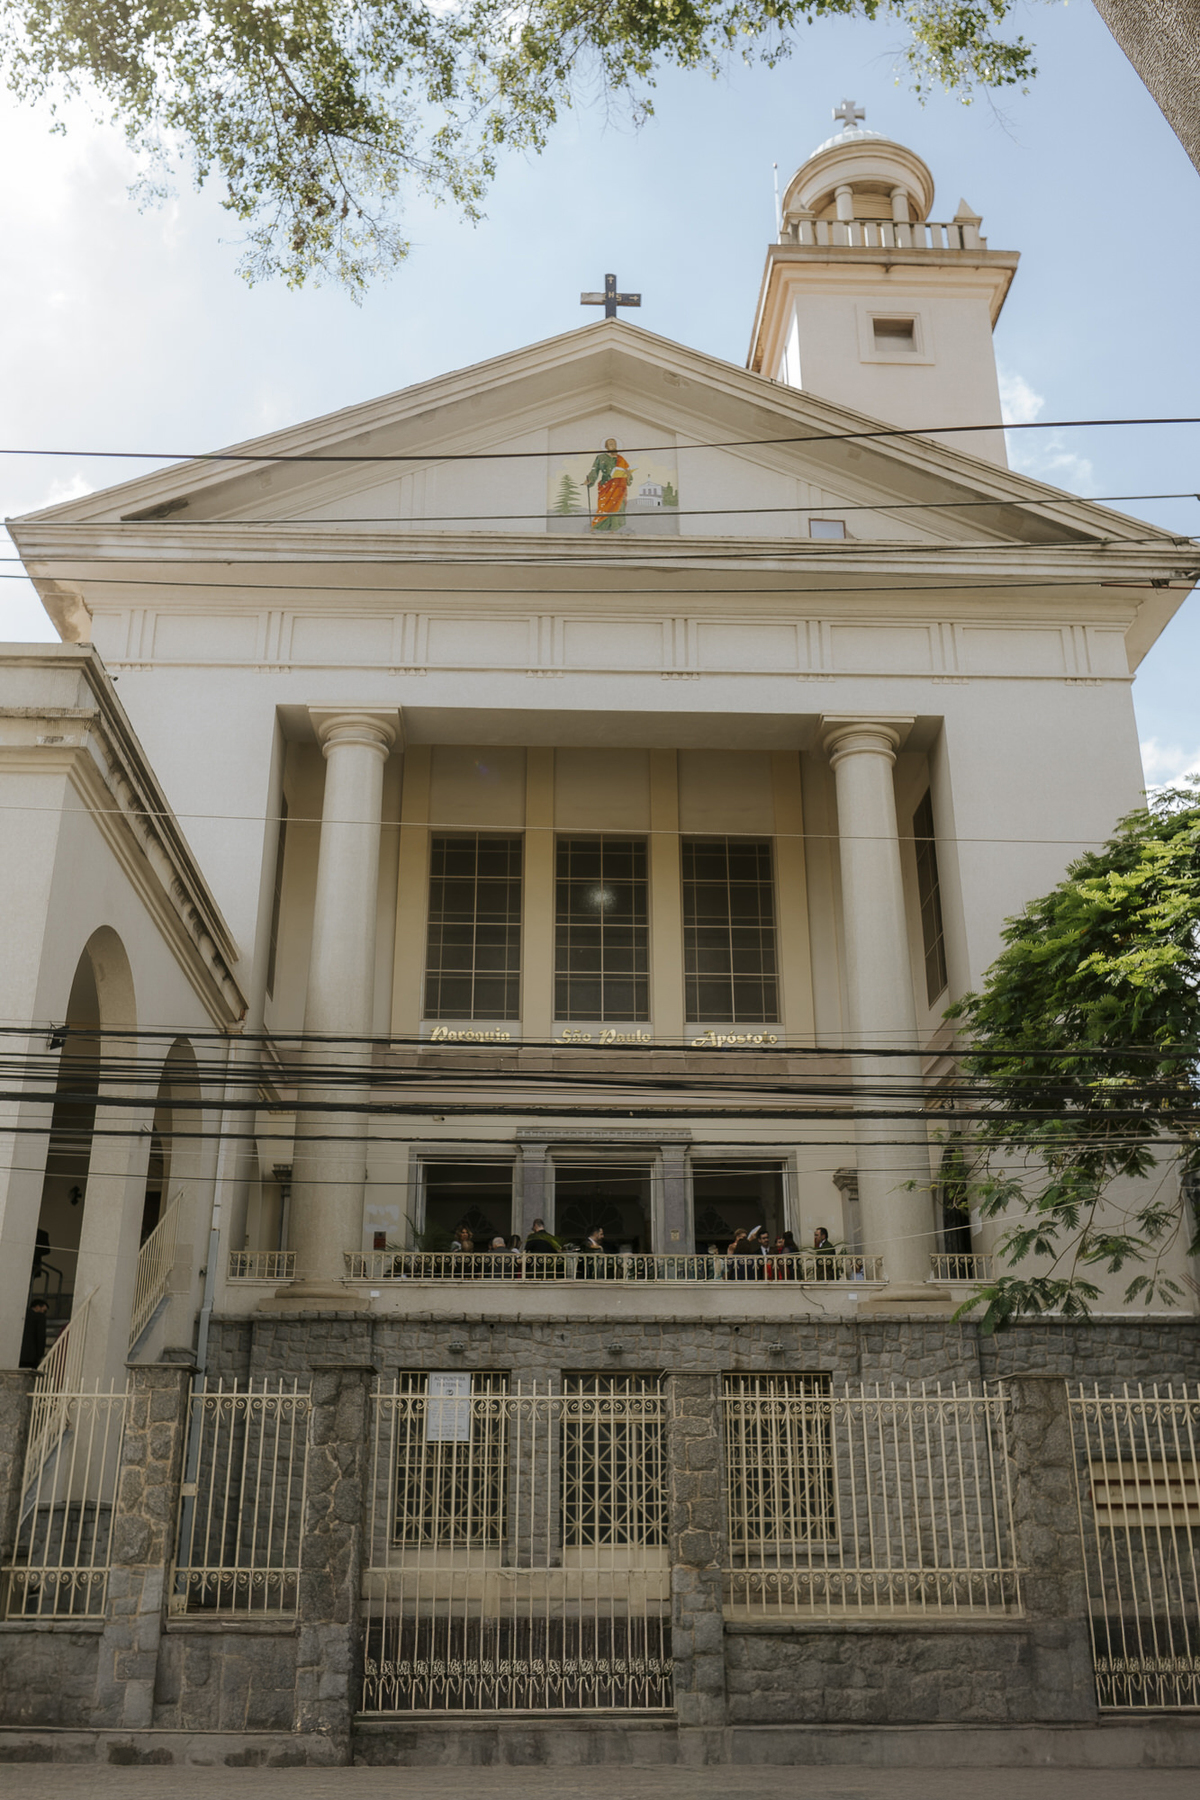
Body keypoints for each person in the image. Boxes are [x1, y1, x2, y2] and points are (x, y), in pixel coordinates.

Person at [585, 439, 634, 532]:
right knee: (604, 507)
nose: (613, 446)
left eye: (614, 444)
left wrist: (628, 475)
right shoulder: (600, 458)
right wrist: (589, 480)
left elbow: (629, 473)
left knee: (618, 507)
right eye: (610, 444)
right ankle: (598, 527)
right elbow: (594, 471)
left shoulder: (621, 459)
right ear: (606, 446)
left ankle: (614, 528)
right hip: (606, 485)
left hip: (619, 487)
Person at [19, 1297, 49, 1369]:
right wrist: (40, 1355)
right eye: (44, 1311)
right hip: (31, 1357)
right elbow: (40, 1337)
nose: (44, 1313)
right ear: (37, 1307)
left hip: (18, 1355)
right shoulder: (39, 1317)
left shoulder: (22, 1314)